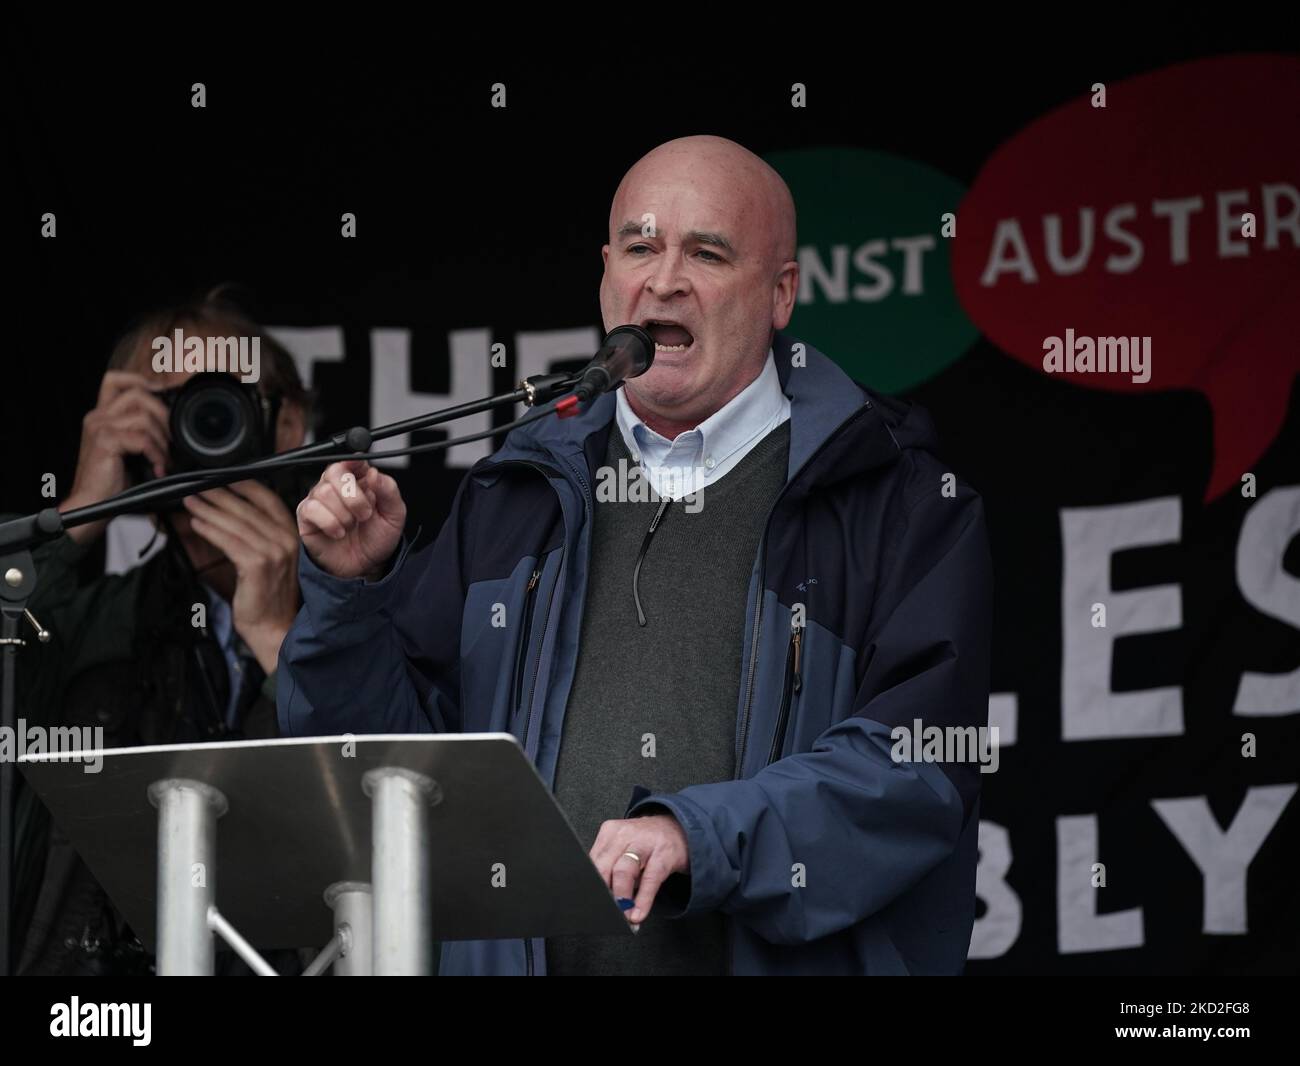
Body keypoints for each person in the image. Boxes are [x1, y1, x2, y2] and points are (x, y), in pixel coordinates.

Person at [279, 136, 994, 975]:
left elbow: (914, 777)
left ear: (782, 294)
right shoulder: (515, 490)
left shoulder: (896, 500)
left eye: (708, 252)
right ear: (606, 277)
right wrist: (351, 594)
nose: (664, 280)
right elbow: (389, 778)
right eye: (642, 247)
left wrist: (701, 835)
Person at [13, 287, 314, 975]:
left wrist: (282, 639)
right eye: (168, 413)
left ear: (287, 423)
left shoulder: (369, 605)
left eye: (220, 406)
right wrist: (78, 514)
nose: (200, 433)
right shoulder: (78, 621)